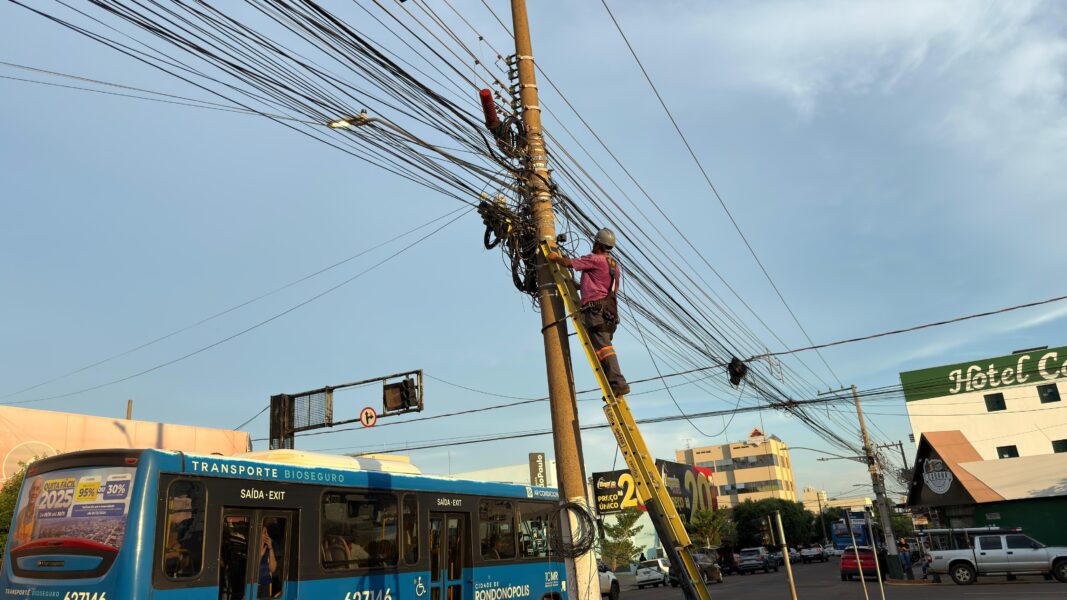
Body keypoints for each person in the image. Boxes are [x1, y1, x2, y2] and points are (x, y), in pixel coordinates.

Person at [547, 228, 629, 396]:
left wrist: (555, 258)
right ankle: (613, 383)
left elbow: (570, 263)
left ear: (598, 243)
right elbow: (601, 285)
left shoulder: (595, 259)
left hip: (596, 312)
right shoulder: (613, 265)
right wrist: (578, 286)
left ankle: (618, 383)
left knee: (604, 349)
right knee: (602, 348)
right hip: (609, 314)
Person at [12, 477, 42, 547]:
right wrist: (21, 542)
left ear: (39, 493)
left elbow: (34, 540)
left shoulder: (38, 514)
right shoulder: (21, 513)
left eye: (37, 489)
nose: (34, 492)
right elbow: (12, 538)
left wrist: (19, 540)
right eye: (33, 488)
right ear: (29, 491)